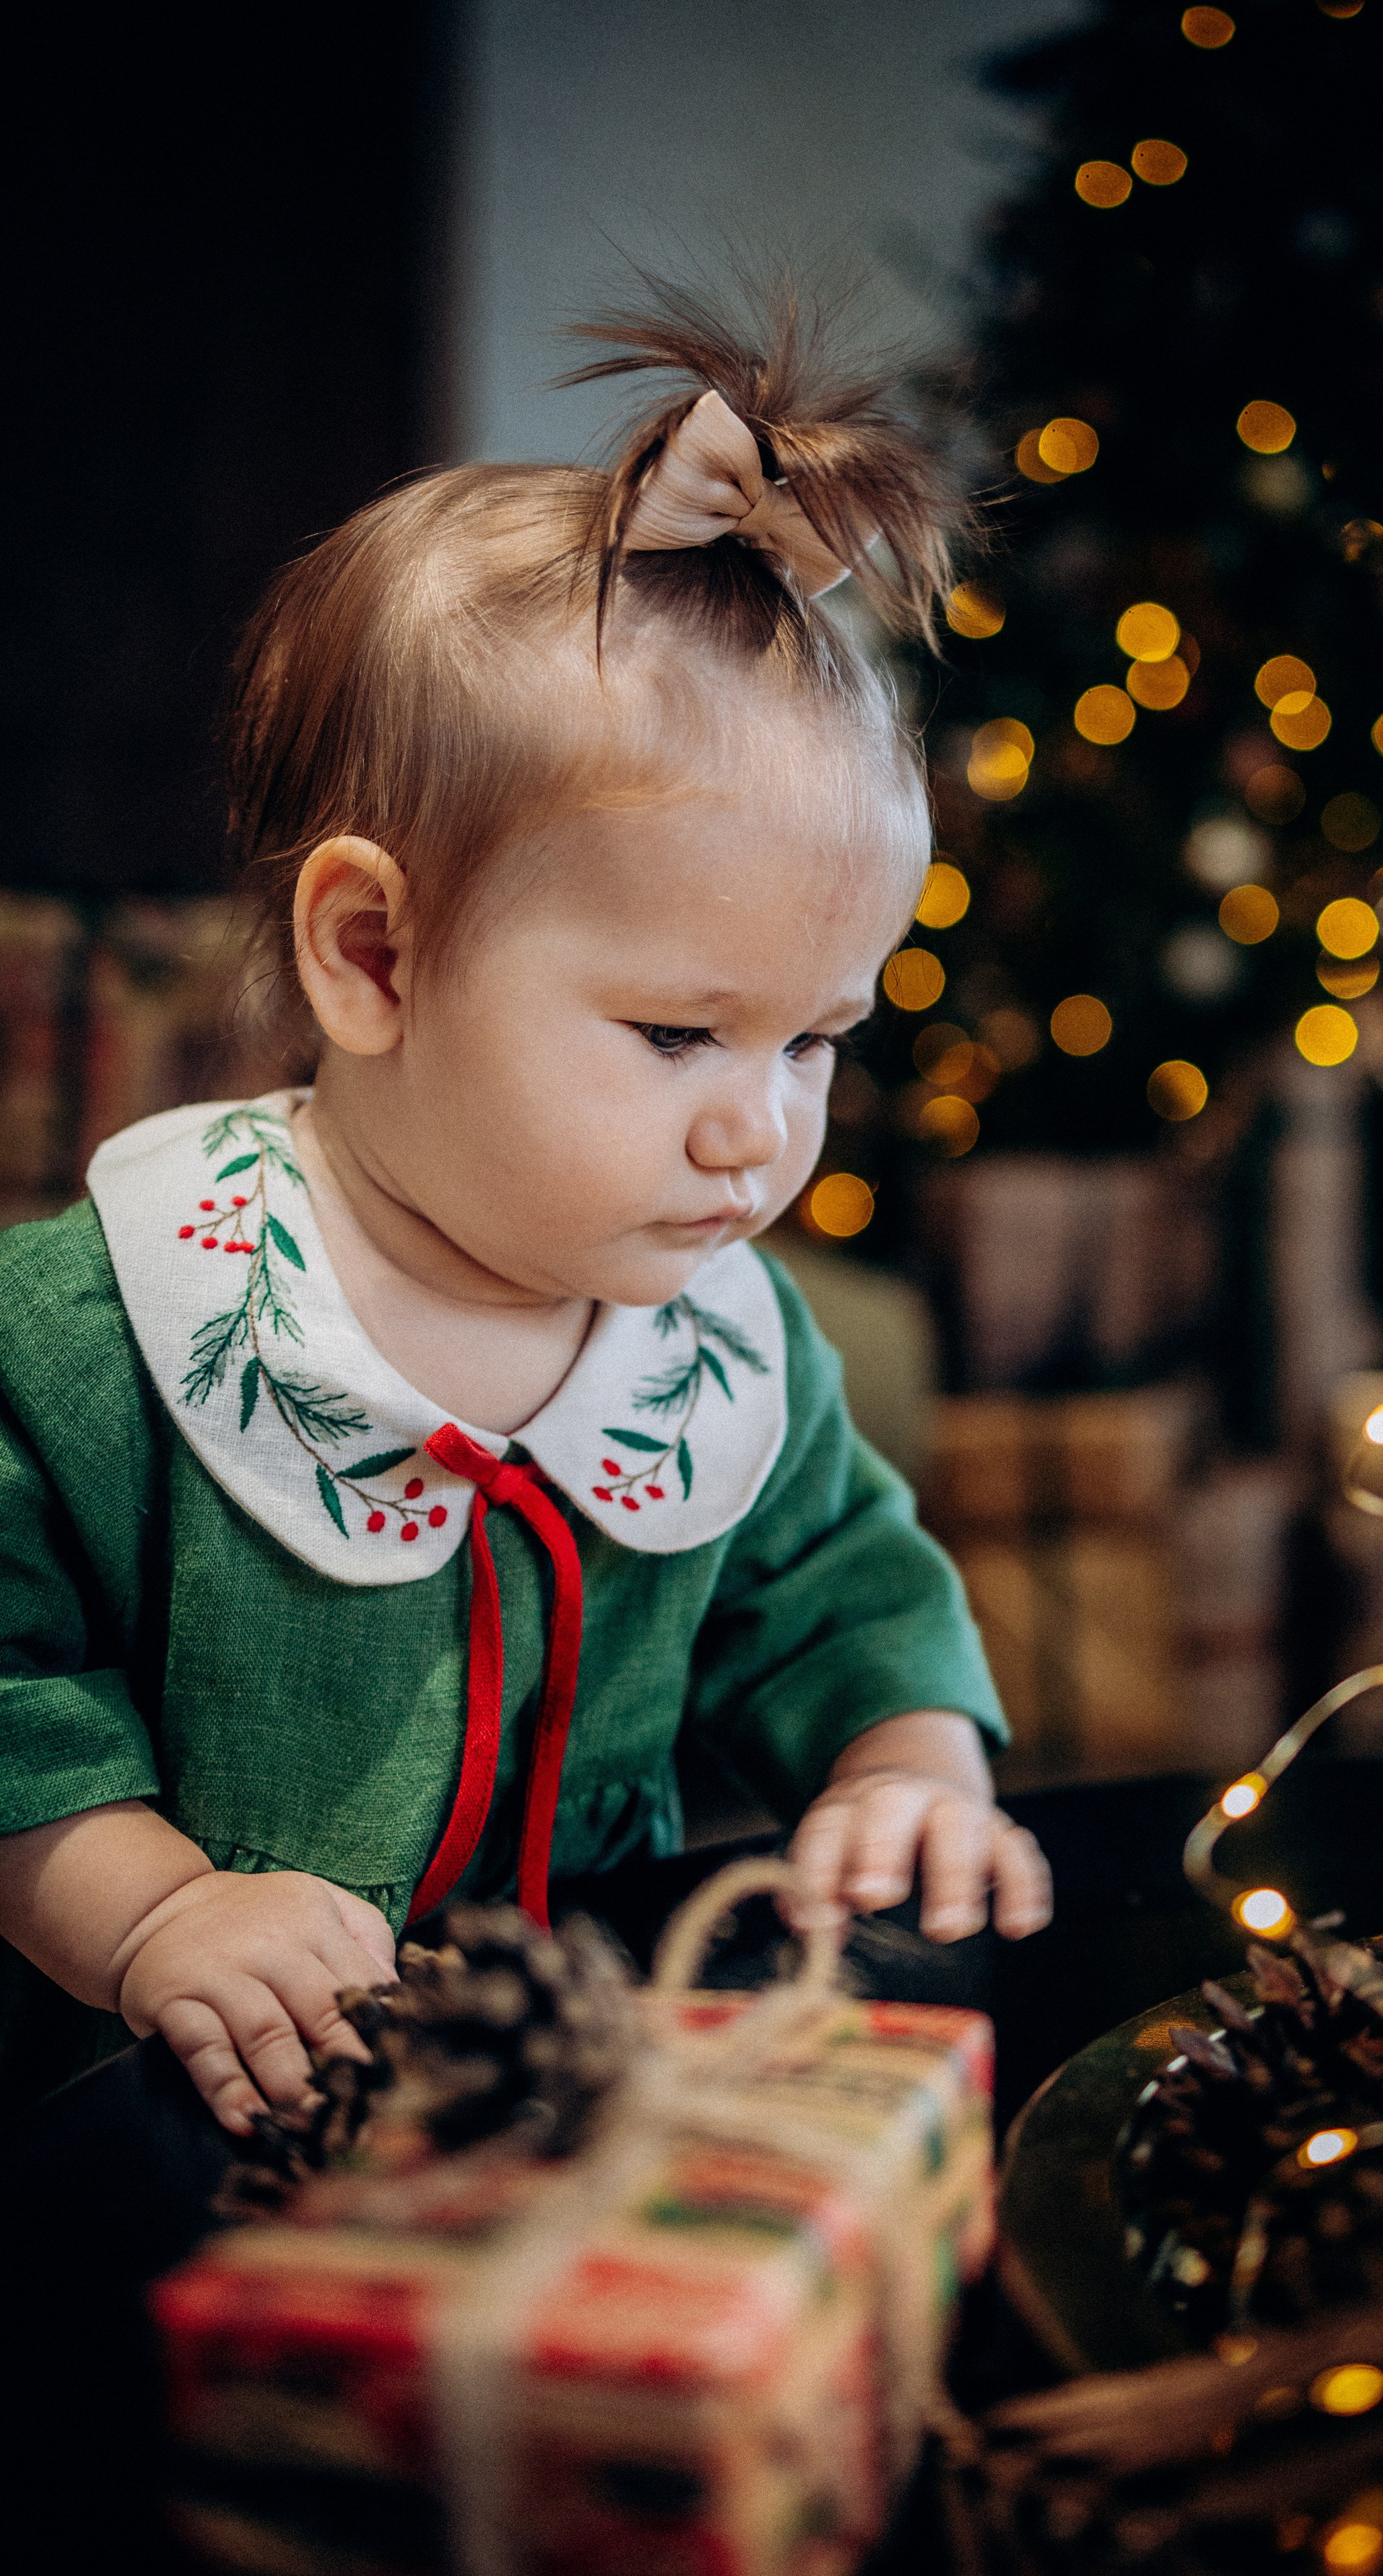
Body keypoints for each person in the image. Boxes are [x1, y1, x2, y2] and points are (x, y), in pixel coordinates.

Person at [0, 286, 1052, 2141]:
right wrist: (155, 1908)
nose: (762, 1131)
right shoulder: (97, 1334)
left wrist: (912, 1765)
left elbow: (842, 1600)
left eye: (816, 1040)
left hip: (555, 2112)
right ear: (375, 954)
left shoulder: (722, 1347)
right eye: (676, 1032)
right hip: (147, 2142)